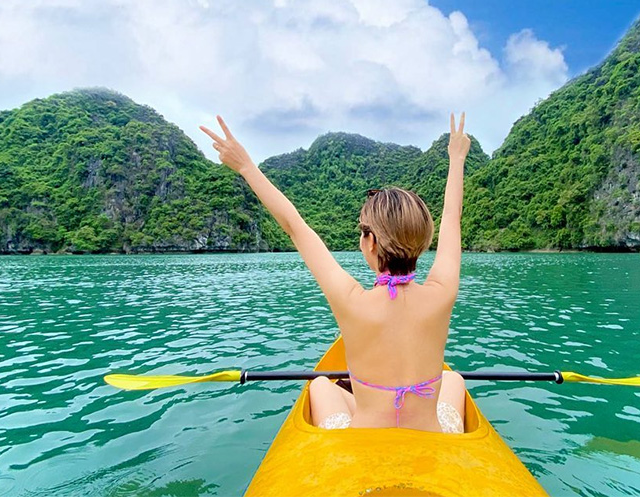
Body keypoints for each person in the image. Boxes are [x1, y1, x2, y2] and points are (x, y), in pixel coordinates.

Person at [200, 113, 470, 433]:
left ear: (369, 241)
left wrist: (246, 166)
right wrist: (457, 158)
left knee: (319, 386)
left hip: (363, 441)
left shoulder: (351, 301)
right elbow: (452, 216)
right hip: (431, 437)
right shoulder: (441, 293)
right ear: (424, 240)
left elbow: (295, 227)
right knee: (452, 378)